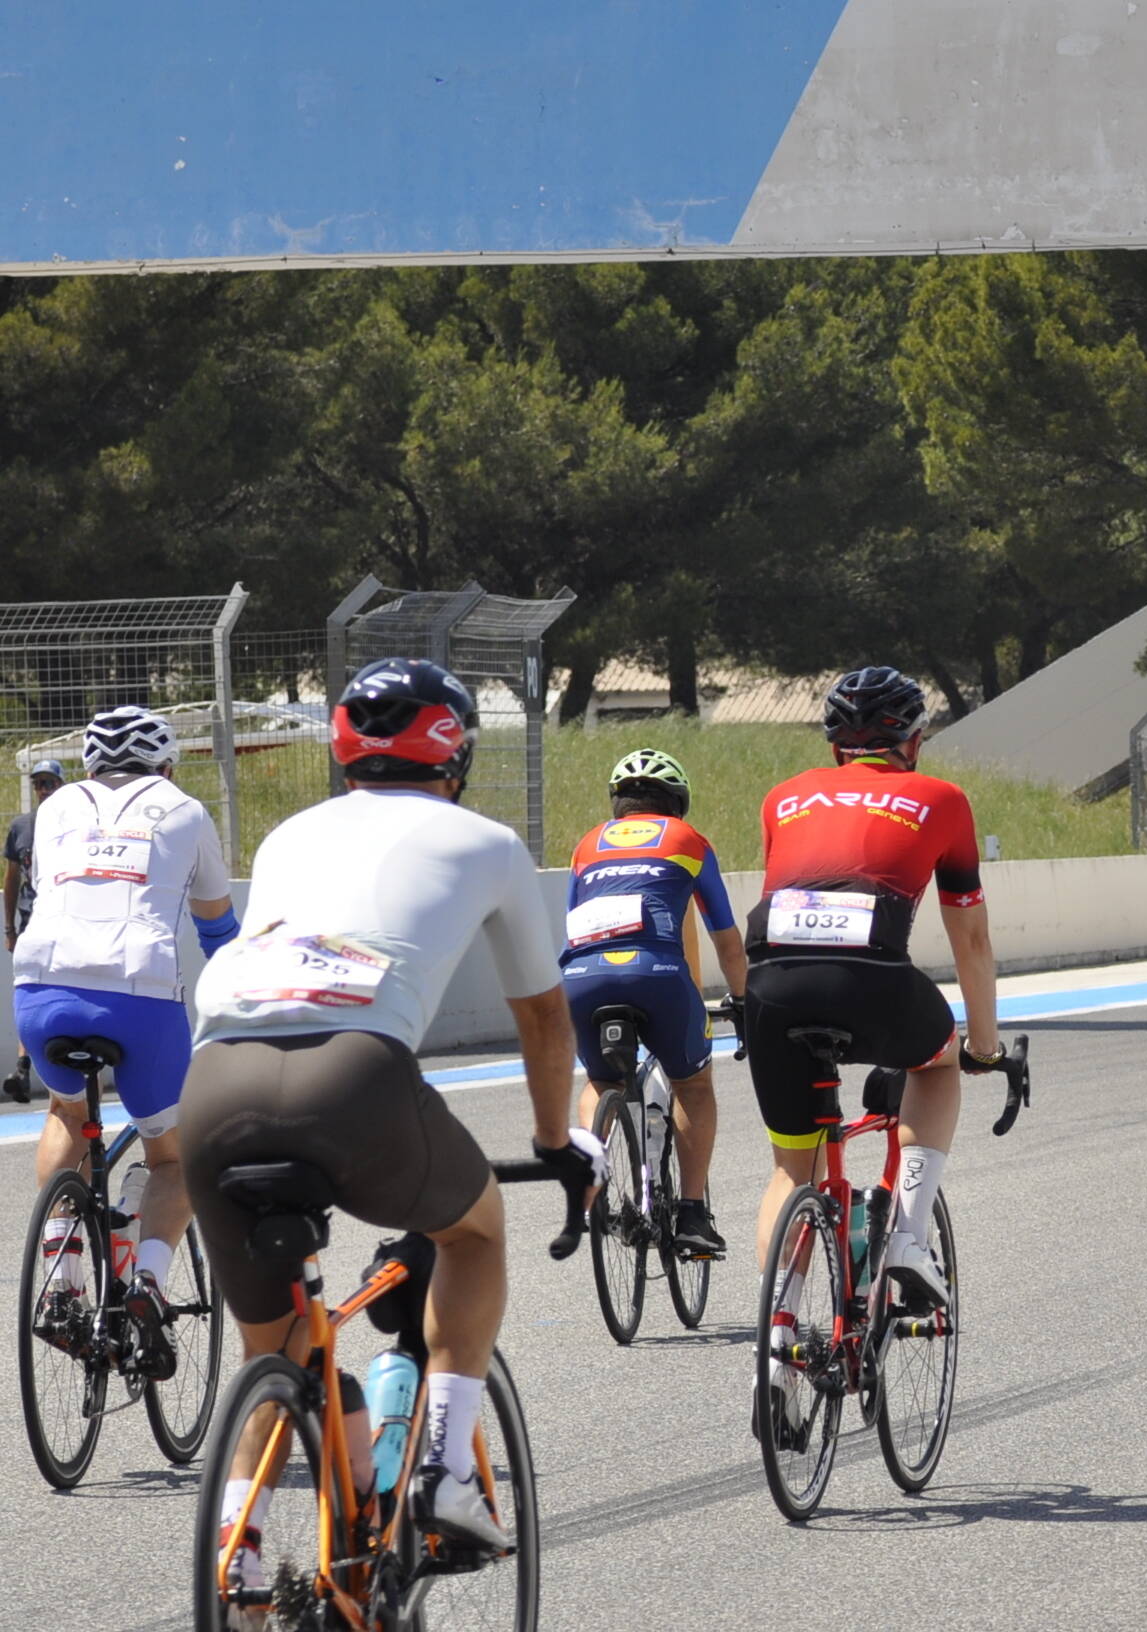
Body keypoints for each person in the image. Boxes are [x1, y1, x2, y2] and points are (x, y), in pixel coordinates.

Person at [183, 660, 588, 1553]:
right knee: (474, 1233)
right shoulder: (485, 843)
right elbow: (546, 1014)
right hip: (354, 1075)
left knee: (277, 1353)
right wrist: (556, 1141)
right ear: (458, 753)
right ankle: (444, 1474)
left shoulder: (291, 832)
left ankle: (236, 1560)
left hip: (212, 1082)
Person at [743, 666, 1003, 1337]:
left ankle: (777, 1333)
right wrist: (983, 1046)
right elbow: (970, 940)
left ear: (835, 746)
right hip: (872, 978)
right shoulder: (941, 798)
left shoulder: (783, 798)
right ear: (913, 743)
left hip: (771, 983)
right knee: (937, 1065)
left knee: (789, 1168)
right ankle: (908, 1241)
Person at [13, 709, 235, 1378]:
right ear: (166, 767)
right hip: (140, 994)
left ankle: (61, 1270)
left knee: (65, 1113)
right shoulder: (186, 811)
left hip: (40, 987)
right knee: (174, 1159)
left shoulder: (52, 811)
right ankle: (148, 1283)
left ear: (88, 766)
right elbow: (220, 933)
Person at [562, 747, 749, 1259]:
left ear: (617, 804)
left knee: (600, 1081)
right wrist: (742, 1001)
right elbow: (726, 939)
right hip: (659, 974)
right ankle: (691, 1214)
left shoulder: (585, 846)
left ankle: (592, 1176)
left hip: (582, 975)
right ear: (677, 803)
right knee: (692, 1084)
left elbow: (572, 924)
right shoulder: (689, 841)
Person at [2, 756, 65, 1102]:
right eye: (39, 784)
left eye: (50, 783)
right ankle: (24, 1067)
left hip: (67, 921)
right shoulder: (22, 827)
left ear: (62, 786)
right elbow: (11, 879)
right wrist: (9, 928)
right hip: (31, 923)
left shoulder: (77, 823)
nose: (44, 790)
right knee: (30, 990)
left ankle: (44, 1065)